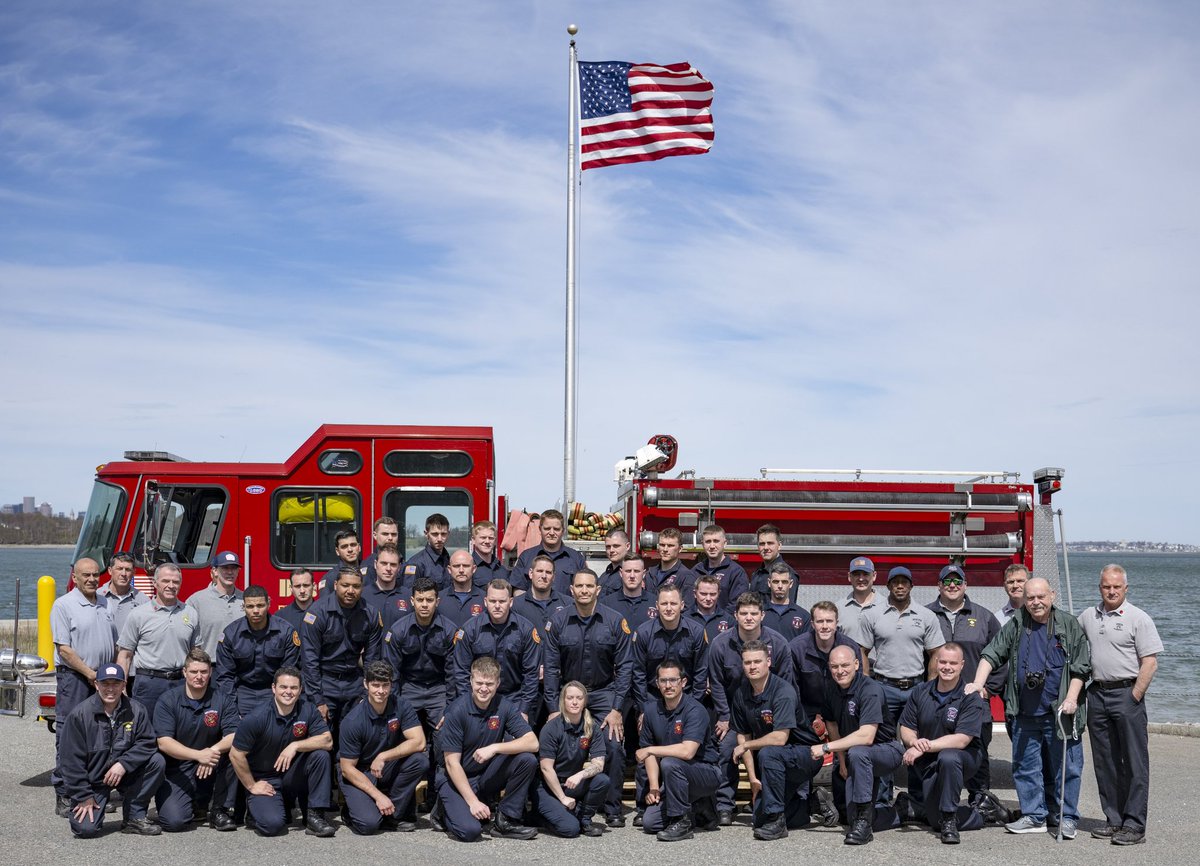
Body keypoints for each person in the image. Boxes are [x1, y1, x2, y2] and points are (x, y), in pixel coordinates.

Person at [968, 577, 1090, 839]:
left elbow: (1081, 668)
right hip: (1024, 712)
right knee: (1024, 767)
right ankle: (1034, 815)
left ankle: (1066, 817)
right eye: (1030, 598)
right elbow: (992, 653)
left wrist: (1071, 699)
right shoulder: (1018, 622)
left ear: (1052, 596)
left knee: (1066, 768)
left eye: (1040, 597)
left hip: (1060, 713)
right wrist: (979, 682)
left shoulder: (1068, 625)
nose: (1035, 602)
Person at [1078, 564, 1162, 845]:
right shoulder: (1089, 616)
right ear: (1099, 587)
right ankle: (1114, 820)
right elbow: (1072, 643)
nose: (1111, 591)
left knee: (1135, 763)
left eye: (1116, 587)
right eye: (1106, 586)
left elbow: (1150, 662)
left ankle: (1135, 825)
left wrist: (1134, 695)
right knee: (1106, 762)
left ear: (1126, 588)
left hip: (1127, 694)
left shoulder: (1139, 618)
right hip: (1097, 694)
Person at [543, 568, 633, 827]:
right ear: (571, 590)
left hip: (604, 693)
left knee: (614, 745)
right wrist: (552, 707)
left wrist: (617, 708)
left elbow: (625, 667)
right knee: (564, 746)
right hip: (569, 692)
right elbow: (550, 668)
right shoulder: (558, 621)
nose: (584, 590)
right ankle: (561, 799)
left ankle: (612, 807)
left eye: (589, 586)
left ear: (598, 590)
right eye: (579, 586)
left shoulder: (615, 621)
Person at [707, 591, 795, 825]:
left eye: (753, 613)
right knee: (726, 749)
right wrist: (724, 717)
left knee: (773, 751)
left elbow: (786, 682)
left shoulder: (779, 644)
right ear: (735, 615)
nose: (748, 618)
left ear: (762, 615)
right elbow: (716, 683)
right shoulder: (720, 644)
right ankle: (725, 804)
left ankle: (772, 800)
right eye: (743, 613)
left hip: (771, 716)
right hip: (735, 716)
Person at [436, 656, 541, 841]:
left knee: (527, 759)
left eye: (489, 684)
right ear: (470, 680)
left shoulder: (504, 706)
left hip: (484, 775)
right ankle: (443, 811)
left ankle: (505, 820)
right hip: (455, 778)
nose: (484, 688)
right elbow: (451, 763)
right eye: (479, 683)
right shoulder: (457, 710)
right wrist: (473, 802)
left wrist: (495, 747)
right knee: (470, 831)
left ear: (498, 683)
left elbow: (533, 743)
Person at [926, 564, 1003, 808]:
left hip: (973, 702)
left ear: (965, 585)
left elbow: (1000, 657)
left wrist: (988, 689)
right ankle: (937, 801)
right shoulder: (926, 615)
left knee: (977, 752)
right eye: (946, 581)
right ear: (938, 586)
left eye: (957, 581)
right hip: (936, 702)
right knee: (937, 751)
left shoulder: (984, 617)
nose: (952, 586)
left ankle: (981, 801)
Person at [730, 640, 824, 840]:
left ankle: (777, 821)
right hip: (776, 761)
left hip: (806, 756)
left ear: (768, 662)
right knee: (758, 819)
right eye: (747, 662)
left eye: (757, 661)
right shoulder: (741, 693)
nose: (752, 666)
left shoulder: (782, 691)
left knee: (769, 752)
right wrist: (754, 779)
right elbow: (743, 735)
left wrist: (746, 745)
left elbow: (780, 738)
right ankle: (809, 804)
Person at [58, 662, 165, 837]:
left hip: (123, 774)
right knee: (85, 830)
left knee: (156, 761)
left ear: (124, 685)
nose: (110, 689)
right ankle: (86, 802)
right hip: (93, 782)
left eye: (115, 684)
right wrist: (84, 795)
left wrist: (123, 764)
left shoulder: (137, 710)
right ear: (96, 684)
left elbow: (147, 742)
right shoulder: (80, 715)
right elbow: (70, 762)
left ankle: (134, 817)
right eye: (105, 683)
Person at [228, 666, 336, 837]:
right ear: (273, 688)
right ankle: (256, 810)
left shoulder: (307, 709)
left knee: (320, 755)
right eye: (283, 687)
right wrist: (252, 785)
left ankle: (315, 816)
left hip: (292, 776)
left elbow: (327, 740)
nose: (288, 692)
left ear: (300, 690)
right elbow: (235, 754)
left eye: (293, 688)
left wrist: (295, 746)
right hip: (266, 780)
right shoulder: (256, 717)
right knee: (272, 826)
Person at [897, 643, 989, 843]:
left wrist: (923, 746)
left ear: (962, 665)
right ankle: (984, 810)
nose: (948, 667)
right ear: (936, 662)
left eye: (953, 663)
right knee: (933, 820)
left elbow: (962, 739)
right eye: (944, 662)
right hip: (930, 761)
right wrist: (913, 741)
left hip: (964, 759)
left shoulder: (970, 696)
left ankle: (951, 818)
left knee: (949, 757)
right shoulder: (921, 691)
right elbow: (906, 727)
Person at [50, 557, 119, 817]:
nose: (91, 579)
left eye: (94, 575)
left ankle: (93, 792)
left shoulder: (104, 602)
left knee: (100, 736)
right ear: (75, 577)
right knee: (69, 735)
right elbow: (64, 649)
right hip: (76, 679)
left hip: (101, 680)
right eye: (85, 575)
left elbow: (111, 642)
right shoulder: (63, 605)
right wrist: (91, 673)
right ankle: (65, 794)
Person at [381, 577, 457, 812]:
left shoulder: (449, 630)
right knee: (402, 738)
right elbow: (391, 674)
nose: (425, 604)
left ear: (437, 601)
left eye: (430, 600)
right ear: (412, 601)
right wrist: (396, 706)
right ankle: (403, 802)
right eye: (420, 600)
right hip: (409, 688)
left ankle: (438, 797)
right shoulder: (398, 630)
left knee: (444, 738)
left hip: (438, 689)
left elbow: (454, 673)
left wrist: (451, 707)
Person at [816, 644, 903, 846]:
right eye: (835, 666)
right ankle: (901, 810)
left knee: (858, 752)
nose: (840, 671)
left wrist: (826, 748)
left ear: (856, 664)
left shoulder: (870, 689)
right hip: (856, 753)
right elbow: (831, 723)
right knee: (848, 817)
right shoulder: (831, 688)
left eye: (845, 665)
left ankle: (864, 823)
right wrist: (841, 759)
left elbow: (866, 737)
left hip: (886, 750)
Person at [337, 660, 429, 834]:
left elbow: (419, 742)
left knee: (419, 761)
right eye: (375, 685)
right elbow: (347, 769)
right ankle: (351, 811)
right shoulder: (352, 721)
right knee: (369, 826)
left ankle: (392, 816)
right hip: (358, 770)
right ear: (366, 684)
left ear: (391, 684)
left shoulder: (401, 705)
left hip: (384, 766)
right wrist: (379, 796)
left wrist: (383, 756)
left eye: (385, 685)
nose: (381, 691)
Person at [300, 565, 383, 755]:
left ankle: (346, 780)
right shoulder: (317, 613)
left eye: (356, 586)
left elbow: (372, 659)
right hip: (325, 682)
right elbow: (309, 661)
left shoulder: (370, 614)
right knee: (323, 740)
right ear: (336, 585)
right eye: (345, 585)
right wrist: (317, 699)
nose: (350, 591)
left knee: (352, 737)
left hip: (354, 681)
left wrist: (366, 692)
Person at [153, 648, 238, 832]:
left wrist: (211, 752)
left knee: (236, 753)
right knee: (174, 822)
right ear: (184, 672)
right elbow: (164, 742)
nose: (199, 676)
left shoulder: (222, 699)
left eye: (203, 672)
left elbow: (233, 735)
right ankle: (194, 803)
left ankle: (219, 810)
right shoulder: (168, 700)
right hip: (178, 769)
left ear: (210, 673)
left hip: (212, 763)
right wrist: (199, 755)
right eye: (193, 672)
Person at [636, 660, 722, 841]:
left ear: (683, 682)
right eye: (663, 681)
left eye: (673, 680)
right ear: (657, 684)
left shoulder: (695, 710)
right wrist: (653, 788)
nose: (668, 685)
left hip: (706, 773)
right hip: (676, 778)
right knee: (649, 823)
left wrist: (651, 749)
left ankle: (682, 822)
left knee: (669, 762)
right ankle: (700, 808)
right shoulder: (651, 711)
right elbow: (649, 755)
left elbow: (687, 752)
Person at [859, 567, 945, 723]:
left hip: (916, 688)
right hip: (884, 687)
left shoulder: (926, 615)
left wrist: (931, 686)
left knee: (914, 738)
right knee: (883, 737)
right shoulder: (871, 615)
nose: (899, 586)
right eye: (895, 582)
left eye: (904, 582)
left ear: (911, 586)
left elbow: (936, 653)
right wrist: (866, 683)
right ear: (888, 586)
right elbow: (862, 651)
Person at [116, 563, 200, 721]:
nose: (171, 586)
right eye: (166, 581)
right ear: (155, 583)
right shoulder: (138, 614)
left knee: (180, 729)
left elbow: (195, 653)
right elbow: (125, 655)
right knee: (145, 731)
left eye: (175, 582)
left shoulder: (190, 613)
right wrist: (121, 686)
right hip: (149, 684)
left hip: (181, 683)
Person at [449, 578, 541, 716]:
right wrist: (470, 704)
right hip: (480, 696)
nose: (497, 606)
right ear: (485, 602)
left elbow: (531, 674)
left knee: (517, 737)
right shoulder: (470, 629)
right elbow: (461, 673)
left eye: (502, 601)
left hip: (515, 698)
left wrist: (524, 710)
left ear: (510, 602)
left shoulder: (526, 630)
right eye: (492, 601)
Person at [533, 681, 610, 837]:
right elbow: (546, 768)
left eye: (579, 698)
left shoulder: (591, 726)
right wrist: (562, 798)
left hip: (571, 782)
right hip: (548, 788)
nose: (574, 702)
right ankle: (539, 817)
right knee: (570, 829)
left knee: (602, 780)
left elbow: (599, 764)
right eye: (570, 698)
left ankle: (584, 819)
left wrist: (580, 774)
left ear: (584, 701)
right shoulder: (551, 728)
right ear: (563, 700)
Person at [216, 583, 301, 718]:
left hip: (274, 690)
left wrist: (283, 701)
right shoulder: (231, 634)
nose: (256, 610)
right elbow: (225, 676)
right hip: (243, 691)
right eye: (250, 606)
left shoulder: (286, 632)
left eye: (260, 605)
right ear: (243, 606)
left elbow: (288, 673)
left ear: (268, 604)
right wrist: (231, 707)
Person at [632, 583, 709, 710]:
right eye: (664, 604)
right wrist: (643, 709)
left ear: (682, 605)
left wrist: (694, 707)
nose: (668, 608)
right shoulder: (643, 633)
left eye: (673, 603)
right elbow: (638, 674)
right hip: (652, 699)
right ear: (657, 606)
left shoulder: (696, 632)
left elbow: (700, 673)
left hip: (687, 698)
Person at [790, 600, 866, 722]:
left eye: (829, 621)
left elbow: (858, 687)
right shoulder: (796, 648)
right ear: (812, 624)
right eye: (820, 621)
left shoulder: (850, 648)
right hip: (807, 712)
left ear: (836, 623)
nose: (825, 626)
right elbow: (792, 689)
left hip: (841, 710)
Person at [512, 508, 586, 594]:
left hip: (566, 607)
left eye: (556, 529)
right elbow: (518, 590)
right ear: (540, 529)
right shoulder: (526, 557)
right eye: (547, 528)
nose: (551, 533)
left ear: (563, 531)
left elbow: (584, 589)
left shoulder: (576, 558)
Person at [190, 551, 246, 658]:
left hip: (240, 667)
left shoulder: (246, 600)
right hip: (211, 666)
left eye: (234, 568)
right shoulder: (196, 600)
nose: (230, 572)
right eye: (225, 568)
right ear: (215, 571)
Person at [692, 524, 750, 611]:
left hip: (725, 623)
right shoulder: (696, 571)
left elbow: (737, 606)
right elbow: (689, 602)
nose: (712, 546)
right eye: (708, 542)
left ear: (725, 543)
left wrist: (717, 621)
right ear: (702, 544)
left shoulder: (736, 572)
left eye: (716, 541)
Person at [511, 554, 569, 628]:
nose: (544, 576)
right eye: (540, 571)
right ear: (531, 573)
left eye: (548, 572)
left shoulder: (566, 604)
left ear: (553, 577)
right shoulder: (517, 605)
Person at [600, 552, 657, 628]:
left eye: (636, 571)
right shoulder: (606, 604)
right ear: (620, 573)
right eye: (628, 571)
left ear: (643, 574)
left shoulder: (655, 603)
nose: (632, 576)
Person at [98, 552, 148, 637]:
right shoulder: (97, 597)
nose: (123, 574)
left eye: (128, 570)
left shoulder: (143, 601)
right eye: (119, 569)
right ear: (110, 571)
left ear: (134, 572)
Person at [360, 543, 408, 629]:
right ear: (375, 564)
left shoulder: (408, 596)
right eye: (384, 563)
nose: (388, 569)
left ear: (399, 567)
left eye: (393, 564)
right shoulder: (362, 596)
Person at [748, 524, 799, 603]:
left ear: (779, 545)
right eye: (762, 544)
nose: (765, 548)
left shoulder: (788, 574)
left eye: (770, 543)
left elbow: (788, 609)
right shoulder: (757, 574)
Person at [437, 549, 486, 628]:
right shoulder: (438, 600)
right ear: (449, 569)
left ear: (474, 569)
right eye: (456, 566)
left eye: (466, 566)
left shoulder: (485, 599)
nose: (461, 570)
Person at [759, 561, 809, 640]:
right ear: (769, 583)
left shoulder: (804, 616)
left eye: (784, 582)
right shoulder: (759, 614)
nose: (780, 586)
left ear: (791, 583)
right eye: (776, 582)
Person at [837, 556, 880, 647]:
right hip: (846, 661)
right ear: (849, 577)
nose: (861, 579)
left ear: (874, 576)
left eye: (865, 574)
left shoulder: (887, 607)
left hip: (877, 661)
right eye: (856, 574)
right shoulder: (838, 608)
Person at [403, 513, 452, 591]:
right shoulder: (415, 563)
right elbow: (409, 594)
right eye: (435, 534)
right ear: (426, 534)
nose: (439, 539)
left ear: (448, 534)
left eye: (443, 534)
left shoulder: (450, 561)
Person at [646, 527, 695, 598]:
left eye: (670, 546)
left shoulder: (686, 577)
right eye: (662, 545)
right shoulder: (649, 574)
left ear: (680, 549)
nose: (665, 549)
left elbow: (687, 608)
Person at [686, 574, 734, 642]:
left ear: (718, 594)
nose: (708, 598)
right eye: (703, 594)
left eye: (712, 594)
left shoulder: (729, 620)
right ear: (695, 594)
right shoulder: (685, 619)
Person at [360, 517, 400, 586]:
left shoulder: (403, 562)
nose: (390, 538)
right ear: (375, 535)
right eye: (385, 534)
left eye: (394, 534)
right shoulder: (368, 565)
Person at [468, 519, 509, 588]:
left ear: (495, 541)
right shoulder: (468, 568)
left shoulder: (502, 570)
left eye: (491, 538)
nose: (487, 541)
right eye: (483, 537)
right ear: (473, 540)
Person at [276, 568, 317, 632]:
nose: (302, 591)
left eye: (306, 585)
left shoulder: (323, 613)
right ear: (291, 588)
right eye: (297, 586)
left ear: (314, 586)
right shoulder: (281, 616)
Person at [598, 528, 632, 593]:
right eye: (608, 547)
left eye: (616, 546)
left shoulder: (632, 576)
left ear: (627, 546)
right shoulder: (604, 576)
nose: (611, 550)